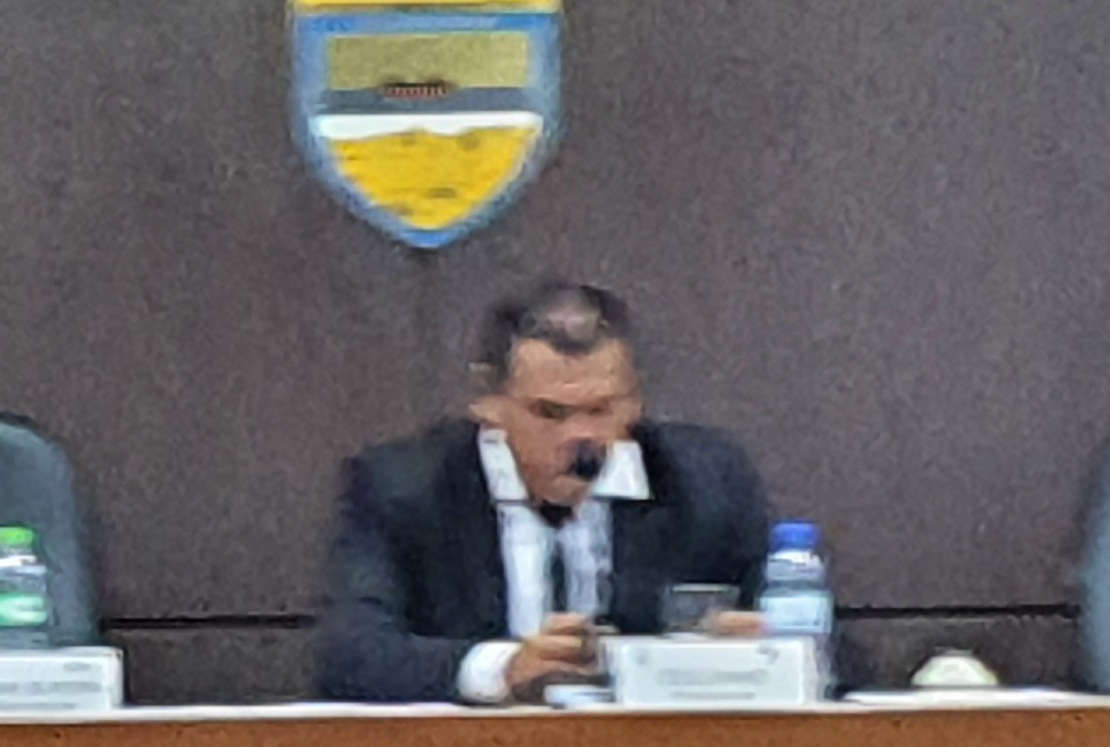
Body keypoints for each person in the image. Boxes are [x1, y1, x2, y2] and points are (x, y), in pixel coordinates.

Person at [314, 280, 773, 706]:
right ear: (488, 402)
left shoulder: (705, 482)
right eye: (550, 414)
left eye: (601, 410)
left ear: (635, 401)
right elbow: (351, 655)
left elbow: (805, 638)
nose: (580, 435)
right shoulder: (404, 489)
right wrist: (503, 669)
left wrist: (763, 646)